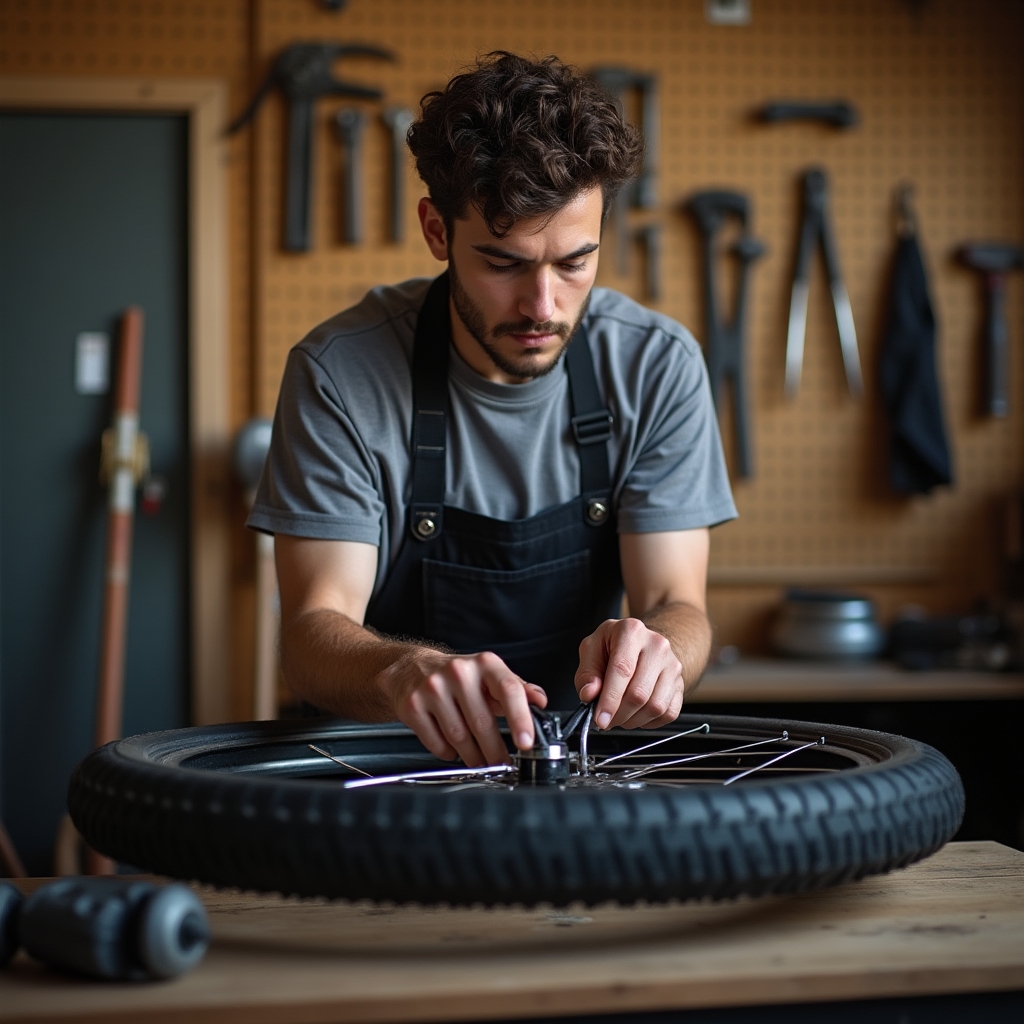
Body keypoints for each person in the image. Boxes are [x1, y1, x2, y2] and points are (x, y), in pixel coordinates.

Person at [248, 52, 737, 769]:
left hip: (581, 770)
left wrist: (661, 649)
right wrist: (400, 671)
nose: (543, 307)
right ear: (437, 232)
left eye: (574, 263)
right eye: (505, 263)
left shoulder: (656, 366)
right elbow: (313, 632)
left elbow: (677, 601)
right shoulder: (339, 374)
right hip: (386, 770)